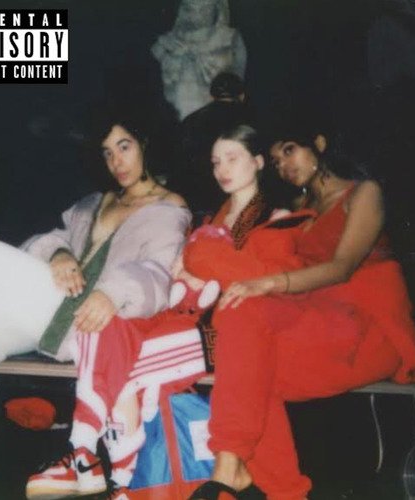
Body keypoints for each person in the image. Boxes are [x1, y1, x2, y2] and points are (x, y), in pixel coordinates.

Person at [26, 122, 300, 500]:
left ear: (257, 161)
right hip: (192, 324)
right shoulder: (212, 220)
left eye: (232, 158)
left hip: (232, 337)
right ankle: (103, 467)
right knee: (107, 332)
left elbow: (270, 282)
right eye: (216, 161)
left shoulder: (277, 217)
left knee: (122, 363)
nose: (222, 169)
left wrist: (201, 263)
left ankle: (110, 470)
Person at [0, 114, 190, 500]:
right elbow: (49, 238)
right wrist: (58, 253)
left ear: (145, 143)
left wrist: (112, 293)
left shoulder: (168, 207)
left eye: (124, 147)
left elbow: (158, 274)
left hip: (92, 321)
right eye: (107, 152)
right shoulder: (95, 202)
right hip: (52, 310)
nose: (116, 161)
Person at [187, 119, 415, 500]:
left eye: (290, 151)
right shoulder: (298, 208)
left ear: (318, 143)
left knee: (252, 364)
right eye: (276, 160)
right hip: (319, 318)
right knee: (247, 344)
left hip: (368, 323)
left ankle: (247, 475)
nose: (284, 165)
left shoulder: (363, 192)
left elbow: (342, 268)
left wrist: (269, 283)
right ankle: (243, 471)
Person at [151, 0, 247, 120]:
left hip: (217, 118)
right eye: (190, 8)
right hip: (173, 117)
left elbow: (237, 83)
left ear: (217, 8)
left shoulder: (231, 39)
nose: (197, 14)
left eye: (204, 9)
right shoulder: (166, 42)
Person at [177, 72, 254, 215]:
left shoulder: (190, 121)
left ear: (212, 96)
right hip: (236, 202)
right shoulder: (252, 119)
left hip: (195, 201)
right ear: (242, 96)